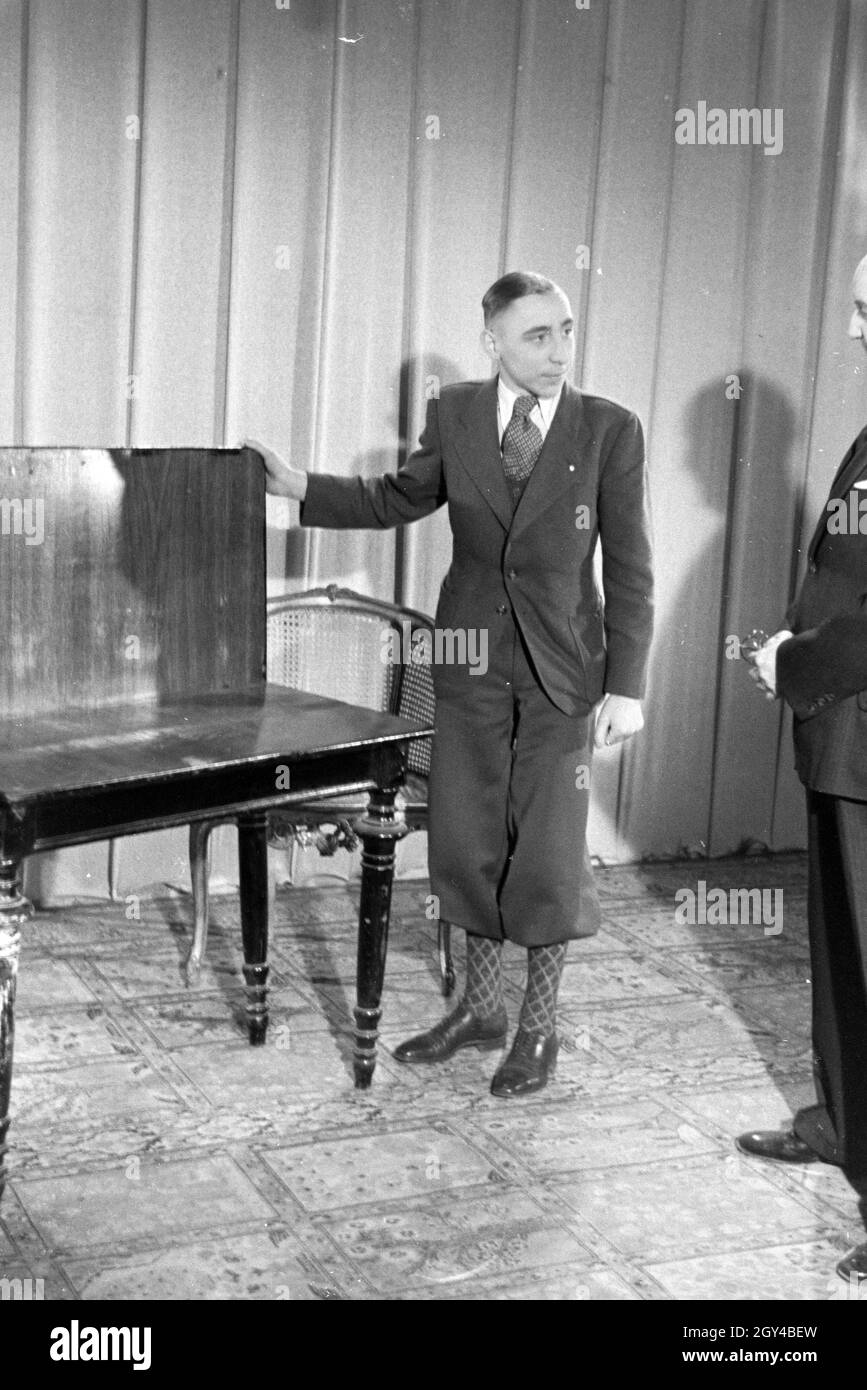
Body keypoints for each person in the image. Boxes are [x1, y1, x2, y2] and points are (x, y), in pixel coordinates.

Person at [252, 270, 653, 1098]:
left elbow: (633, 566)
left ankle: (536, 1030)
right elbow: (400, 496)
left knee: (543, 851)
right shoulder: (459, 414)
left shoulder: (609, 429)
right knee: (468, 839)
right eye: (535, 336)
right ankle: (480, 1011)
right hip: (468, 664)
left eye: (565, 331)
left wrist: (628, 685)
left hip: (562, 673)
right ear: (493, 343)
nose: (555, 351)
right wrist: (300, 488)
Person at [739, 252, 867, 1283]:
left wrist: (791, 662)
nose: (860, 330)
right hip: (843, 743)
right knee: (840, 959)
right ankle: (843, 1124)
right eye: (858, 310)